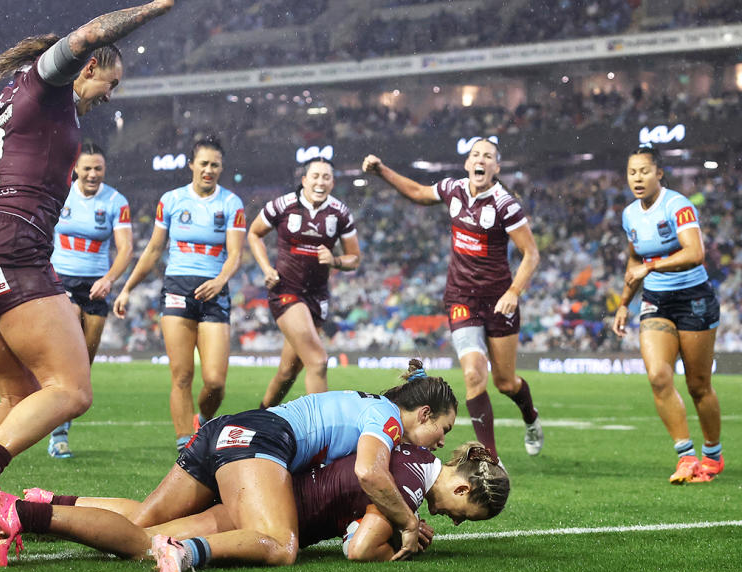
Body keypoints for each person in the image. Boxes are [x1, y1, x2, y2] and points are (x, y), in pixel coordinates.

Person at [0, 0, 174, 557]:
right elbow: (91, 34)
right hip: (13, 246)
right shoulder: (47, 83)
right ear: (87, 68)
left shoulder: (23, 92)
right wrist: (156, 9)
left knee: (17, 396)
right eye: (111, 79)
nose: (112, 93)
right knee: (72, 390)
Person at [0, 359, 462, 569]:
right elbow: (369, 473)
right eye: (443, 428)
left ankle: (27, 508)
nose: (440, 442)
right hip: (259, 441)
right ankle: (184, 553)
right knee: (279, 546)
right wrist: (410, 523)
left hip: (225, 432)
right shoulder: (386, 420)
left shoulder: (369, 404)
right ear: (422, 412)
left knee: (141, 522)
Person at [17, 440, 507, 564]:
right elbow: (359, 548)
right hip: (269, 496)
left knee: (152, 514)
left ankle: (48, 501)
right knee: (146, 540)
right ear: (463, 488)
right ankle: (23, 515)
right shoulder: (412, 485)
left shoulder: (416, 452)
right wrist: (405, 539)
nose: (458, 524)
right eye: (468, 516)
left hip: (263, 470)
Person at [362, 139, 543, 461]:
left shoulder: (505, 205)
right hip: (461, 297)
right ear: (467, 162)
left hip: (499, 299)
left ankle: (530, 417)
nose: (481, 160)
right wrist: (381, 171)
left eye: (488, 157)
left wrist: (514, 292)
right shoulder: (453, 189)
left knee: (505, 382)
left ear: (496, 168)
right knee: (474, 373)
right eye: (476, 155)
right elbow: (418, 193)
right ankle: (491, 457)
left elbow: (531, 253)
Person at [113, 137, 246, 450]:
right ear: (192, 165)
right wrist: (127, 288)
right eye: (203, 163)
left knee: (215, 381)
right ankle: (185, 444)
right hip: (176, 289)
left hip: (215, 293)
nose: (209, 169)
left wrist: (220, 280)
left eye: (215, 164)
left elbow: (235, 254)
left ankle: (200, 418)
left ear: (221, 167)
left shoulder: (231, 203)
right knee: (182, 374)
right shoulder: (171, 200)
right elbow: (154, 249)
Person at [612, 144, 724, 484]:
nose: (638, 178)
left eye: (644, 171)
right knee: (658, 376)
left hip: (694, 299)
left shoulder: (678, 205)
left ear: (659, 173)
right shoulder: (630, 214)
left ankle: (713, 457)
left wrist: (653, 266)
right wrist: (624, 302)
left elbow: (695, 252)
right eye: (632, 172)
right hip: (656, 300)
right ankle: (686, 457)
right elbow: (635, 260)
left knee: (698, 385)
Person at [247, 157, 360, 407]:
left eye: (326, 177)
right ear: (304, 180)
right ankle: (321, 436)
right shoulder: (283, 205)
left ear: (332, 183)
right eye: (316, 176)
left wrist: (335, 260)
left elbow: (355, 259)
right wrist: (266, 268)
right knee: (318, 361)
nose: (320, 182)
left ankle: (261, 418)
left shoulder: (339, 213)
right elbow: (254, 233)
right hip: (286, 291)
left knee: (288, 372)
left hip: (317, 298)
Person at [45, 141, 133, 458]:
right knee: (68, 357)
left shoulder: (115, 202)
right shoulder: (60, 193)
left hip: (97, 286)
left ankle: (62, 423)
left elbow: (125, 249)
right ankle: (57, 433)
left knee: (83, 365)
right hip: (61, 281)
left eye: (98, 168)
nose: (93, 174)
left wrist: (108, 279)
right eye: (87, 168)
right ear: (76, 170)